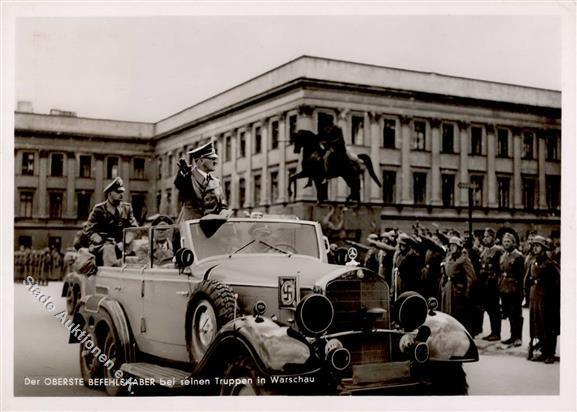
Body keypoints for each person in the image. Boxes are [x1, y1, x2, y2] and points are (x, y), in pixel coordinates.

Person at [82, 177, 138, 266]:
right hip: (102, 246)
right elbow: (90, 230)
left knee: (138, 250)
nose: (121, 194)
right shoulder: (98, 209)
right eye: (118, 192)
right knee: (109, 249)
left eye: (122, 192)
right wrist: (101, 241)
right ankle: (112, 276)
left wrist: (124, 243)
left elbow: (133, 228)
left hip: (122, 245)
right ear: (109, 194)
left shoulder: (127, 208)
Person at [174, 141, 227, 222]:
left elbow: (222, 205)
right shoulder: (188, 178)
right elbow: (181, 188)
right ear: (201, 160)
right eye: (212, 159)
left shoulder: (216, 182)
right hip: (191, 228)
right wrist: (181, 175)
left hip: (211, 230)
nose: (215, 162)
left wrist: (223, 213)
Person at [527, 236, 560, 364]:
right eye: (534, 245)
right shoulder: (533, 261)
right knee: (538, 324)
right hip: (535, 296)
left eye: (538, 245)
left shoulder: (550, 264)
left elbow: (557, 284)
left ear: (544, 248)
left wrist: (551, 299)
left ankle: (550, 353)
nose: (535, 248)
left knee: (549, 326)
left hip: (547, 299)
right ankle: (543, 351)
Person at [440, 236, 477, 335]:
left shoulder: (464, 259)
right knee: (447, 309)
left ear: (459, 247)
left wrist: (467, 292)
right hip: (448, 287)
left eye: (454, 245)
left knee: (458, 311)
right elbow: (445, 273)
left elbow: (471, 277)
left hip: (458, 289)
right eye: (450, 245)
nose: (451, 247)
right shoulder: (449, 257)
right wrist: (442, 285)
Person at [498, 232, 525, 347]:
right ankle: (512, 336)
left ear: (513, 243)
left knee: (516, 314)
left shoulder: (519, 257)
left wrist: (521, 291)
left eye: (508, 241)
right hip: (504, 288)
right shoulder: (503, 256)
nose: (506, 243)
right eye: (504, 241)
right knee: (509, 313)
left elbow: (521, 276)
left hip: (515, 289)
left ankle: (518, 337)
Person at [478, 227, 504, 341]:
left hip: (493, 284)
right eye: (484, 236)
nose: (485, 238)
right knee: (488, 308)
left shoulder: (498, 250)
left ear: (493, 238)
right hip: (485, 284)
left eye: (488, 236)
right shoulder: (484, 250)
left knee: (494, 309)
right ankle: (493, 331)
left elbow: (501, 266)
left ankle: (496, 333)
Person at [392, 234, 422, 299]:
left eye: (403, 245)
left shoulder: (411, 255)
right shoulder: (400, 254)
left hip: (407, 281)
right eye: (400, 245)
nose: (400, 247)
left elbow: (401, 265)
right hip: (400, 280)